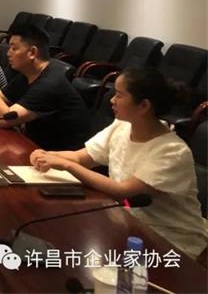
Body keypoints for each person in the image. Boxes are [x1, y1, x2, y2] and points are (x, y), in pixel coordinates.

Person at [30, 68, 208, 260]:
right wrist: (47, 155)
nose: (112, 100)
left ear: (144, 105)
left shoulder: (172, 151)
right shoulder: (122, 125)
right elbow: (81, 157)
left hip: (170, 240)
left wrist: (67, 165)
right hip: (127, 223)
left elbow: (123, 190)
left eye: (119, 95)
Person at [0, 24, 90, 150]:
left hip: (60, 155)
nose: (8, 53)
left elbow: (3, 120)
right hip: (35, 145)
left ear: (32, 52)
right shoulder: (28, 74)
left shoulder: (50, 84)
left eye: (14, 48)